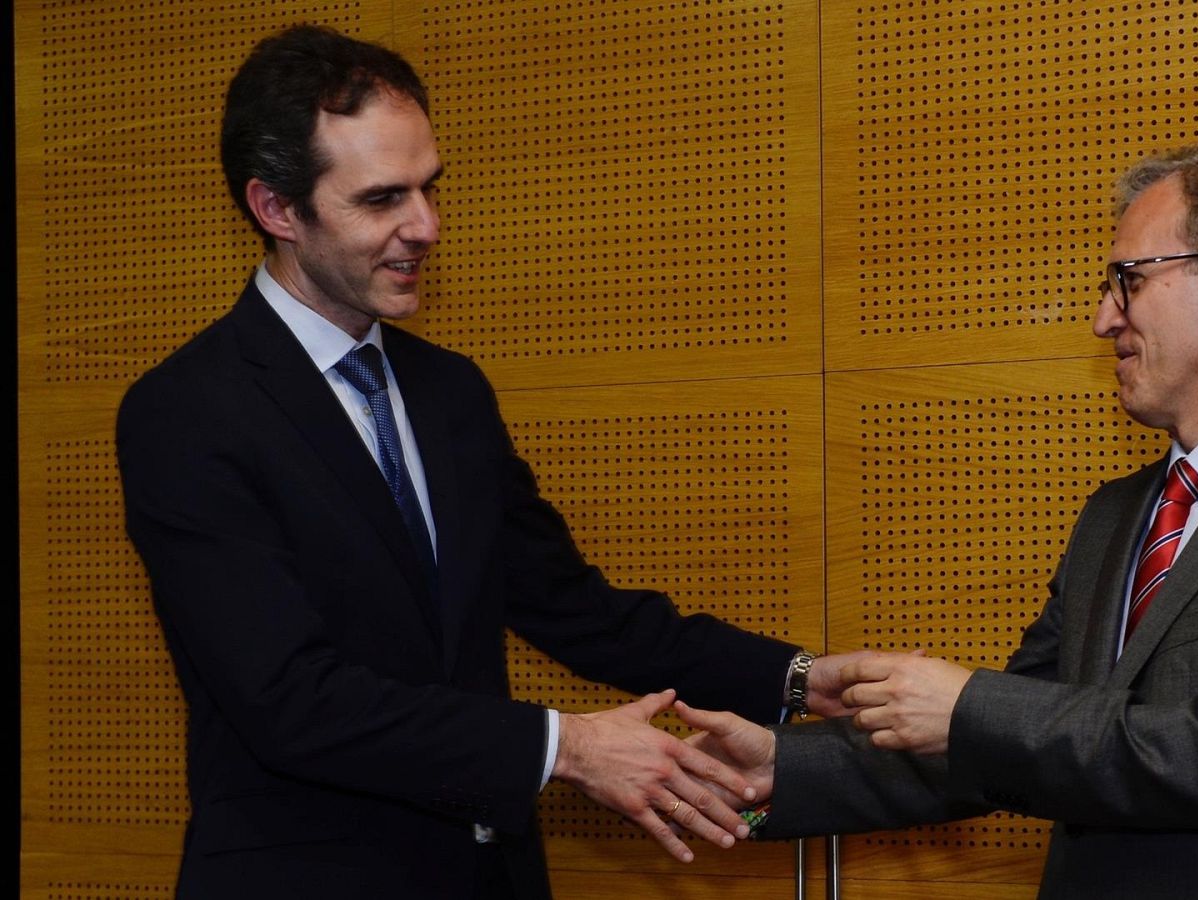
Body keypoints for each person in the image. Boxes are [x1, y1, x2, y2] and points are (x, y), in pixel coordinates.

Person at [116, 24, 856, 900]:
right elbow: (290, 702)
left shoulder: (449, 390)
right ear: (277, 209)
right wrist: (566, 747)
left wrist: (804, 680)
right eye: (382, 199)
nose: (426, 226)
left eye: (432, 188)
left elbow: (576, 609)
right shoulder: (187, 411)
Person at [681, 146, 1198, 899]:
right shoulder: (1116, 513)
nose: (1102, 318)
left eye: (1128, 281)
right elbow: (1009, 739)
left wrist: (968, 703)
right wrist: (784, 766)